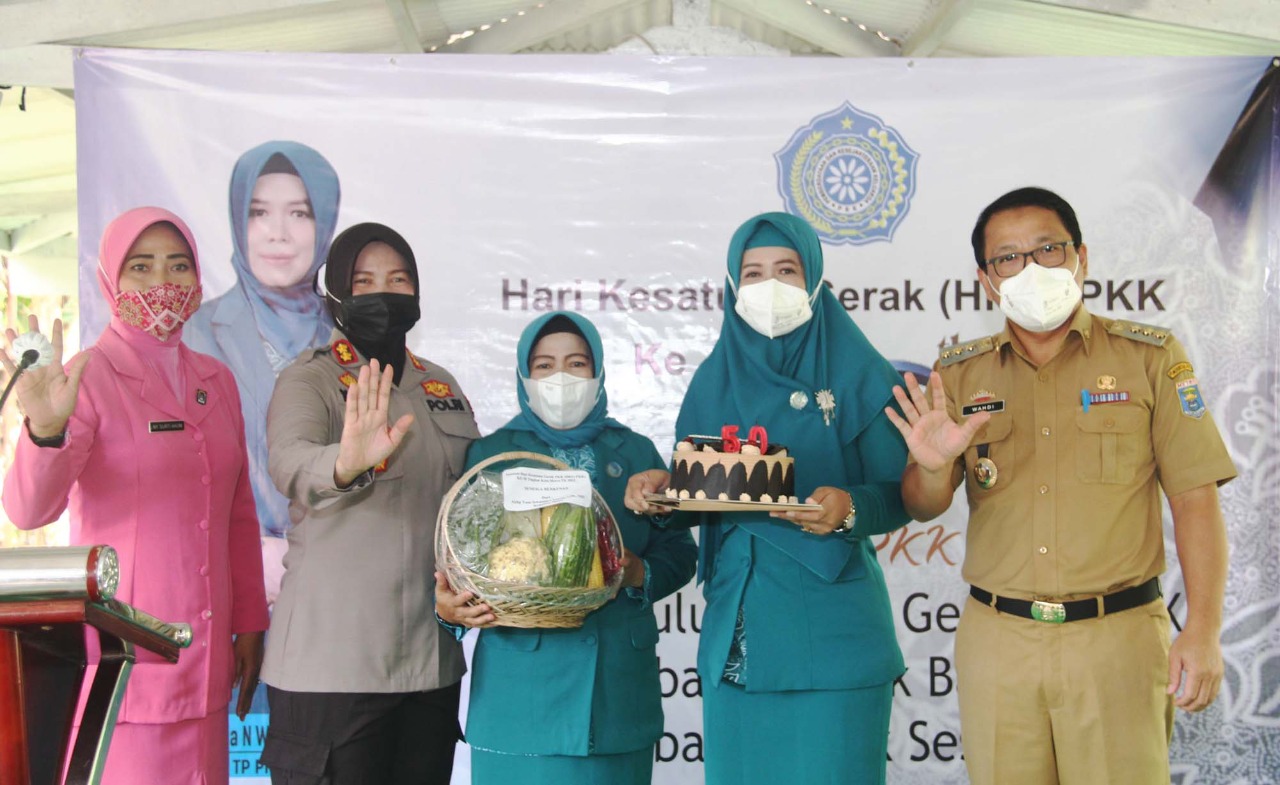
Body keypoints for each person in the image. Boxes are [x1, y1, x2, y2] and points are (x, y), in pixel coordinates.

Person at [887, 186, 1236, 785]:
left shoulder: (1149, 358)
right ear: (986, 280)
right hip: (999, 641)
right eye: (1008, 258)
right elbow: (923, 506)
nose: (1031, 268)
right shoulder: (958, 373)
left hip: (1118, 639)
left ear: (1081, 257)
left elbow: (1196, 499)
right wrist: (934, 466)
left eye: (1048, 249)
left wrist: (1203, 629)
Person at [624, 212, 912, 784]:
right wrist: (659, 493)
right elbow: (698, 494)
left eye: (786, 270)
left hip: (835, 636)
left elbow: (901, 495)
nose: (770, 286)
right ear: (733, 286)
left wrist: (850, 508)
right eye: (753, 274)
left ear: (814, 279)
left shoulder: (861, 373)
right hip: (738, 638)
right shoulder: (713, 379)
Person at [1, 206, 269, 785]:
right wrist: (45, 429)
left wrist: (249, 623)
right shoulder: (85, 376)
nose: (161, 282)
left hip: (207, 663)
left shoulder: (216, 380)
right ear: (110, 280)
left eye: (177, 266)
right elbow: (29, 509)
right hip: (127, 669)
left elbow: (237, 513)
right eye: (140, 267)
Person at [435, 311, 697, 785]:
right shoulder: (493, 455)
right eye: (544, 365)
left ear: (598, 373)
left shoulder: (636, 452)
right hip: (521, 702)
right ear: (524, 376)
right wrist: (451, 611)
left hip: (616, 699)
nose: (561, 377)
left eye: (577, 364)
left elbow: (680, 552)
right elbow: (458, 561)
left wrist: (638, 573)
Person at [259, 222, 479, 785]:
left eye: (399, 280)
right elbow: (289, 462)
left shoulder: (442, 387)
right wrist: (345, 463)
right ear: (335, 292)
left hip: (428, 668)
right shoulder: (310, 380)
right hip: (332, 670)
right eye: (363, 281)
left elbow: (471, 507)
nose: (384, 293)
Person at [185, 141, 341, 576]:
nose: (278, 233)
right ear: (238, 220)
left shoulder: (351, 336)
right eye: (259, 212)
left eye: (299, 213)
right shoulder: (194, 333)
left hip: (335, 576)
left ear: (324, 223)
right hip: (224, 572)